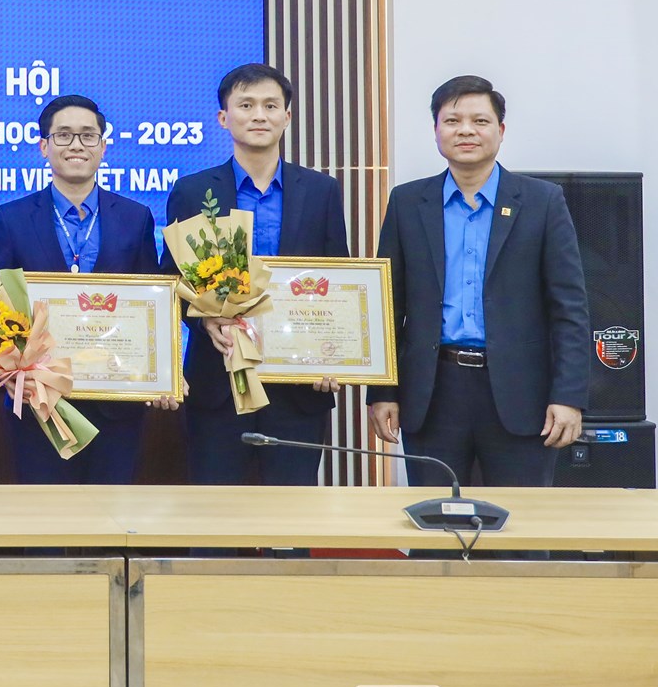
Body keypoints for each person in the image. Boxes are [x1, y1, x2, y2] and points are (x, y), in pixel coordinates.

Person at [371, 75, 588, 487]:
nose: (466, 130)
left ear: (500, 131)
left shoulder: (542, 202)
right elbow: (388, 307)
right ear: (436, 130)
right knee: (436, 517)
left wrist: (569, 396)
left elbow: (570, 310)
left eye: (480, 121)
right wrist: (383, 392)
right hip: (433, 392)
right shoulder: (407, 202)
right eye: (452, 121)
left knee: (522, 522)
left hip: (520, 393)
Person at [164, 63, 347, 486]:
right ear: (223, 117)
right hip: (218, 381)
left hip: (299, 385)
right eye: (246, 105)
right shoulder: (192, 191)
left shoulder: (321, 191)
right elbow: (171, 282)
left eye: (270, 105)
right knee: (216, 510)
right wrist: (205, 319)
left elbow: (337, 278)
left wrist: (332, 354)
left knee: (292, 511)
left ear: (287, 116)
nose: (259, 115)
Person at [0, 94, 168, 484]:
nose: (76, 145)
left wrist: (162, 373)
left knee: (114, 513)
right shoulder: (12, 218)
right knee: (45, 516)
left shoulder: (135, 217)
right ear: (44, 146)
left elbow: (153, 303)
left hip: (117, 405)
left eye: (88, 136)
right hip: (39, 402)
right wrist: (13, 369)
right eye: (64, 135)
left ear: (103, 146)